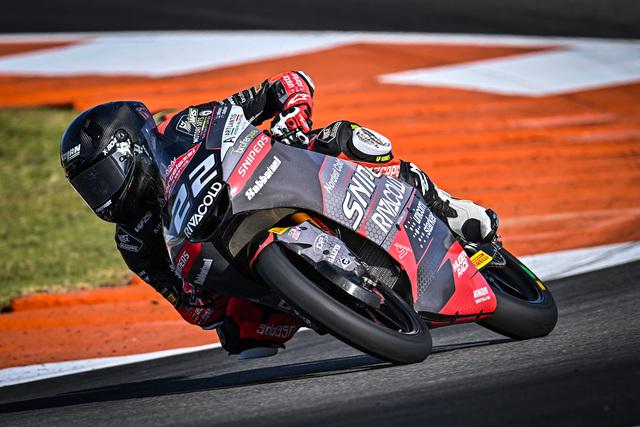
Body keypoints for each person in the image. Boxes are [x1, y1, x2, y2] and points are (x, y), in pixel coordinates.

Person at [60, 71, 498, 359]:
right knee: (239, 338)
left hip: (275, 180)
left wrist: (293, 117)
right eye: (88, 188)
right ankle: (322, 301)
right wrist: (195, 295)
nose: (101, 196)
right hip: (239, 268)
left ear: (130, 149)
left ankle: (448, 209)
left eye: (100, 178)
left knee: (341, 138)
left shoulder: (187, 124)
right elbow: (192, 310)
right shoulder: (134, 240)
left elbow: (289, 83)